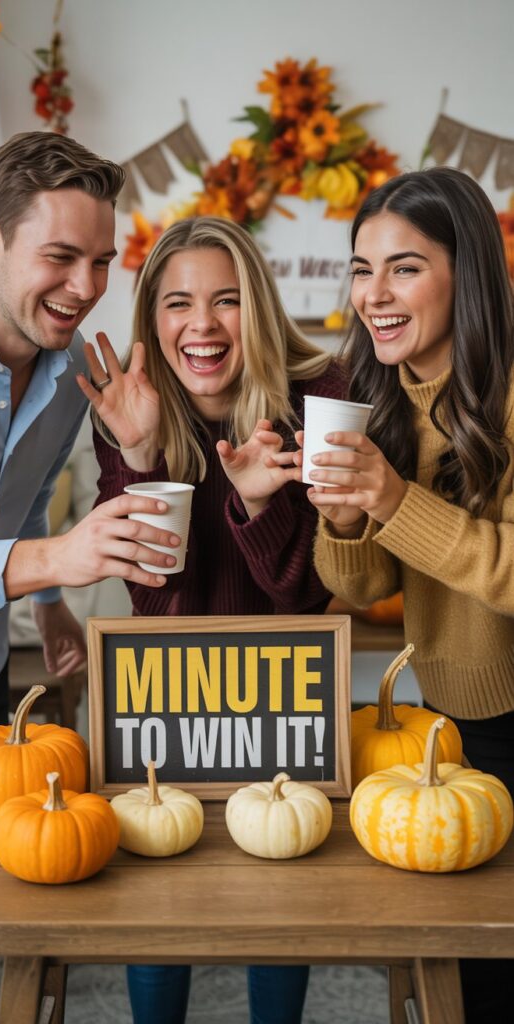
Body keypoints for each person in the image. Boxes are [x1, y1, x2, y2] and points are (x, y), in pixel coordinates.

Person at [0, 131, 185, 1024]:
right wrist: (54, 563)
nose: (85, 287)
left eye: (100, 260)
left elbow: (33, 492)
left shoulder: (78, 366)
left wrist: (50, 611)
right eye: (59, 257)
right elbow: (45, 535)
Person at [78, 215, 346, 1024]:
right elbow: (156, 609)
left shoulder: (319, 401)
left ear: (256, 309)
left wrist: (258, 501)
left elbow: (307, 600)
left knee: (282, 895)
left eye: (226, 300)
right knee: (155, 898)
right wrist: (142, 459)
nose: (201, 324)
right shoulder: (131, 412)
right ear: (152, 320)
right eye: (178, 303)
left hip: (282, 712)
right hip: (171, 706)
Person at [307, 166, 514, 1024]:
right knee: (465, 966)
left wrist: (395, 502)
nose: (373, 294)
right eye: (361, 268)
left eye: (404, 267)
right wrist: (345, 518)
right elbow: (364, 588)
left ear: (465, 272)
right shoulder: (387, 398)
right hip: (456, 720)